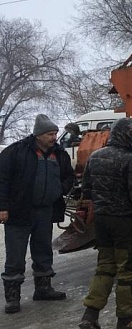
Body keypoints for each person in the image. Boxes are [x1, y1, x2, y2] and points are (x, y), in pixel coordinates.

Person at [78, 117, 132, 329]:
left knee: (105, 266)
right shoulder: (130, 160)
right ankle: (127, 319)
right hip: (124, 221)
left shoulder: (95, 156)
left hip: (102, 221)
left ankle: (90, 315)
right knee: (129, 269)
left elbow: (87, 188)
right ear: (129, 135)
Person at [0, 114, 73, 314]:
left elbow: (69, 176)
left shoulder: (59, 154)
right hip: (19, 212)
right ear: (38, 135)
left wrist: (60, 188)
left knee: (43, 251)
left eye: (56, 133)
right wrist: (3, 207)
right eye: (50, 133)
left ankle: (43, 289)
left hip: (45, 212)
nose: (54, 137)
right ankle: (13, 298)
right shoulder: (16, 152)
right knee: (15, 255)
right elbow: (2, 180)